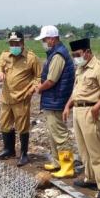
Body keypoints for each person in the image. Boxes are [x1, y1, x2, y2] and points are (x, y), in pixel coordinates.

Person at [62, 38, 100, 198]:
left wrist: (96, 107)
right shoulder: (80, 68)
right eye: (73, 55)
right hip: (78, 111)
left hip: (90, 111)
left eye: (77, 54)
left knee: (95, 150)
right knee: (83, 149)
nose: (75, 57)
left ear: (87, 52)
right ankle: (90, 178)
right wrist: (68, 106)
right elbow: (76, 91)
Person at [0, 31, 42, 166]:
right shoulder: (5, 55)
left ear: (22, 43)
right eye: (11, 43)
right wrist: (0, 72)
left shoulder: (31, 58)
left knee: (22, 126)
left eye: (16, 43)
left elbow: (38, 77)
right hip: (6, 97)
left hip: (21, 97)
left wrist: (31, 90)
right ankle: (8, 150)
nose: (14, 46)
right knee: (4, 124)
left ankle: (24, 154)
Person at [34, 25, 76, 178]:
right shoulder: (54, 53)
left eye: (44, 40)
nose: (43, 43)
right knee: (52, 132)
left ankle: (67, 166)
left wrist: (40, 88)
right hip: (52, 99)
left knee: (59, 134)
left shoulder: (58, 55)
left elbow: (51, 80)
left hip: (56, 99)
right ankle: (57, 162)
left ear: (52, 38)